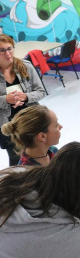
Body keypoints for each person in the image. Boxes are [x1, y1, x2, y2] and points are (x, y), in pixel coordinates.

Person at [0, 33, 46, 166]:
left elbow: (41, 91)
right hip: (6, 124)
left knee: (37, 155)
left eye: (10, 48)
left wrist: (26, 97)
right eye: (2, 50)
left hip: (30, 120)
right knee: (16, 160)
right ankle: (17, 186)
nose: (7, 53)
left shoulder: (26, 66)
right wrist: (6, 100)